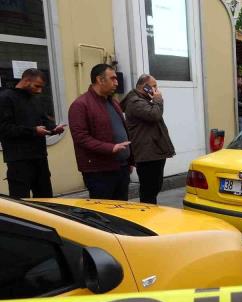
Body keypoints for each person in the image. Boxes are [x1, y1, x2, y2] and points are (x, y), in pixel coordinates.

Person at [68, 64, 133, 200]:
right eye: (113, 78)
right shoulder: (80, 105)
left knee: (122, 211)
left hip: (121, 168)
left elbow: (121, 129)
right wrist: (111, 148)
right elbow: (81, 138)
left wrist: (129, 160)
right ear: (100, 80)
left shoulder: (113, 102)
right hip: (100, 172)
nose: (117, 82)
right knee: (105, 214)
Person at [0, 68, 65, 198]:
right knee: (21, 200)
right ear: (26, 80)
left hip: (39, 157)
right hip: (18, 160)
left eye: (41, 87)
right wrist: (33, 131)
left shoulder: (35, 99)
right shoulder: (5, 97)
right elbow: (4, 128)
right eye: (37, 86)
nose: (39, 90)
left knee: (45, 197)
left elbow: (44, 121)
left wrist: (53, 129)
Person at [120, 74, 176, 204]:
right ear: (144, 87)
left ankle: (151, 214)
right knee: (149, 191)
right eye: (154, 86)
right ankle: (147, 216)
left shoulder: (143, 101)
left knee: (154, 188)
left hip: (153, 153)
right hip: (147, 155)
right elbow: (154, 115)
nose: (157, 90)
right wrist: (158, 100)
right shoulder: (135, 102)